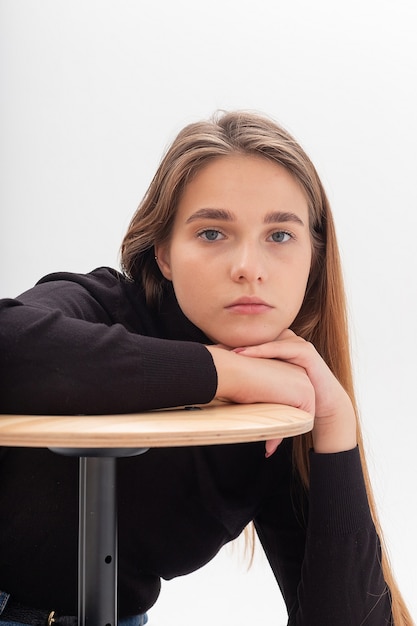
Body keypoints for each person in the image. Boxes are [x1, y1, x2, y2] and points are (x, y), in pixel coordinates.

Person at [0, 110, 413, 626]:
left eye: (280, 236)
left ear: (313, 259)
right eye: (213, 233)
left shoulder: (283, 407)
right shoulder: (101, 306)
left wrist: (335, 426)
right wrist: (229, 372)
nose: (248, 266)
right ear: (165, 253)